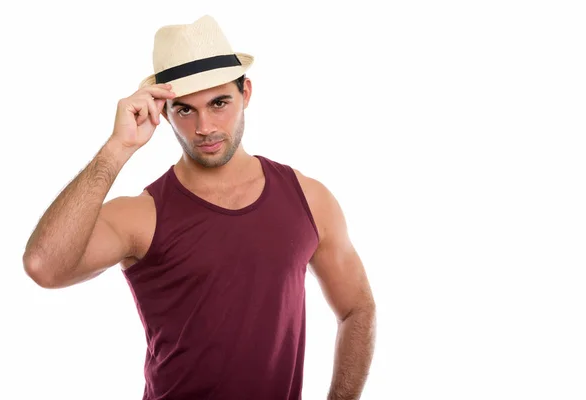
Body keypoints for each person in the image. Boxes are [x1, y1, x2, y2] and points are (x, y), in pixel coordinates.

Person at [23, 15, 376, 400]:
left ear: (247, 94)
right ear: (164, 113)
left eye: (219, 102)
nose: (204, 126)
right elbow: (44, 265)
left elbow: (357, 309)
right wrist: (116, 149)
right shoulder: (143, 215)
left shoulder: (308, 199)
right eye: (185, 110)